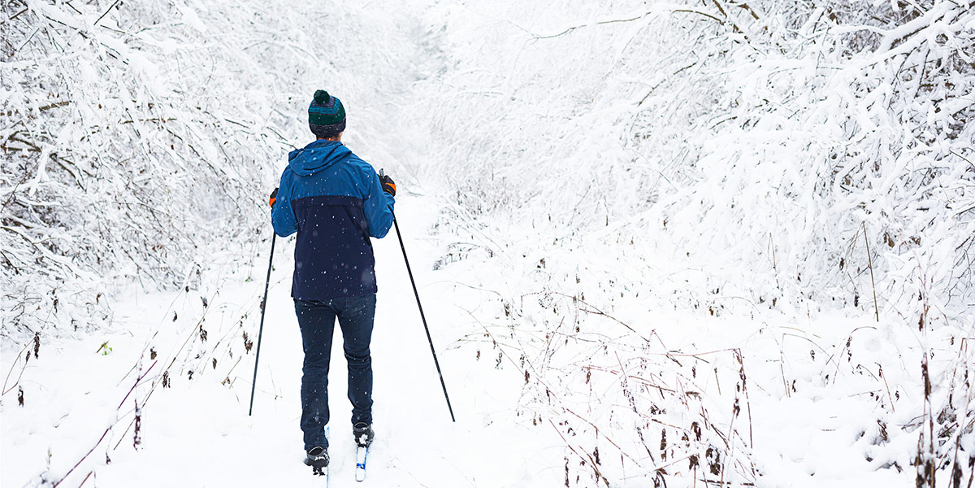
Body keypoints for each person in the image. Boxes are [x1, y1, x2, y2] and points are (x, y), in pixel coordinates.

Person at [269, 89, 397, 472]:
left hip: (310, 288)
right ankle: (361, 425)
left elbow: (282, 226)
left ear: (312, 127)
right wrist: (387, 194)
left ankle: (315, 443)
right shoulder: (360, 172)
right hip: (356, 286)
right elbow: (380, 226)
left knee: (315, 363)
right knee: (358, 357)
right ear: (341, 127)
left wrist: (278, 201)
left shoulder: (293, 174)